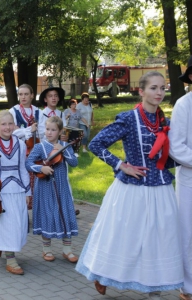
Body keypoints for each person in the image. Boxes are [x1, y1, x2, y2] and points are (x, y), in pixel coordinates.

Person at [75, 71, 183, 299]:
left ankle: (154, 285)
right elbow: (96, 144)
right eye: (154, 88)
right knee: (124, 235)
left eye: (163, 88)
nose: (159, 92)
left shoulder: (167, 122)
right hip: (132, 189)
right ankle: (102, 274)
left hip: (161, 188)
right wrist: (122, 165)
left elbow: (169, 157)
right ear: (141, 91)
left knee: (160, 237)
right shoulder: (128, 118)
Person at [0, 110, 30, 275]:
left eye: (10, 124)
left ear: (14, 125)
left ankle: (1, 245)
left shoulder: (21, 144)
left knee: (18, 223)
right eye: (3, 124)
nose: (7, 127)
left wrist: (28, 192)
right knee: (7, 224)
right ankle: (11, 259)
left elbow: (23, 169)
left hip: (17, 189)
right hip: (0, 191)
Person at [26, 116, 79, 263]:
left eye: (53, 130)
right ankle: (46, 249)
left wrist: (64, 149)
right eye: (47, 129)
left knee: (65, 214)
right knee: (47, 215)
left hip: (62, 187)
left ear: (60, 131)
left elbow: (74, 162)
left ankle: (67, 250)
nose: (49, 132)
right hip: (45, 187)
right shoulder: (40, 147)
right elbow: (28, 163)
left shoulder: (64, 145)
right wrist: (41, 167)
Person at [168, 55, 192, 300]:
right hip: (190, 179)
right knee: (187, 232)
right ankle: (187, 286)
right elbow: (176, 146)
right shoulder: (184, 105)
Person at [9, 84, 40, 209]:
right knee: (21, 178)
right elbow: (11, 132)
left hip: (34, 149)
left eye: (26, 94)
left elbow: (42, 132)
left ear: (32, 95)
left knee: (35, 181)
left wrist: (22, 130)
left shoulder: (38, 111)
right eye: (20, 94)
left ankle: (35, 210)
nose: (23, 97)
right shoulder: (13, 111)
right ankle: (21, 211)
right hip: (19, 149)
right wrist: (29, 130)